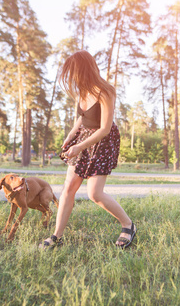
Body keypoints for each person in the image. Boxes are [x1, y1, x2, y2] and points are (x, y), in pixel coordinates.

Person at [39, 50, 136, 250]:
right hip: (83, 137)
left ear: (84, 69)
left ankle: (128, 225)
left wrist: (80, 146)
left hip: (102, 141)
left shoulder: (105, 91)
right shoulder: (82, 91)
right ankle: (57, 236)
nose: (72, 77)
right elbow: (82, 118)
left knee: (95, 194)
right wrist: (70, 136)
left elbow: (105, 129)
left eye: (74, 72)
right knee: (68, 188)